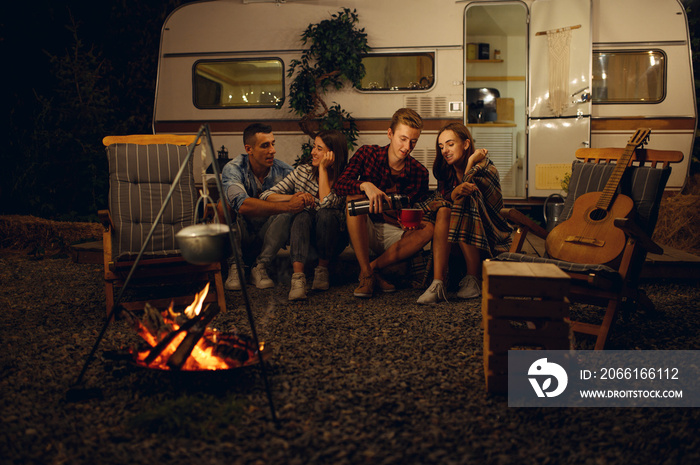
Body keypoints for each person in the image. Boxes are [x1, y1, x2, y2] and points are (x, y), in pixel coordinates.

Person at [334, 108, 433, 298]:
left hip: (396, 232)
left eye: (413, 141)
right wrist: (365, 185)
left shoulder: (419, 172)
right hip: (365, 228)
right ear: (390, 134)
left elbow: (418, 209)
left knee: (429, 228)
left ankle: (370, 270)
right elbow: (339, 185)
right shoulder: (368, 154)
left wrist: (414, 220)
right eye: (403, 139)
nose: (407, 146)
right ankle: (367, 274)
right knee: (353, 199)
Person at [416, 122, 512, 304]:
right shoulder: (446, 171)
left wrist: (469, 163)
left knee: (465, 199)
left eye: (450, 144)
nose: (444, 150)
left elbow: (471, 193)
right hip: (455, 239)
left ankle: (473, 277)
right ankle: (438, 284)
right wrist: (454, 193)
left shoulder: (486, 168)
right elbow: (446, 197)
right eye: (441, 146)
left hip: (488, 235)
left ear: (466, 144)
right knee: (444, 209)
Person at [260, 130, 349, 301]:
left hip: (332, 240)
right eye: (314, 147)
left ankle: (322, 271)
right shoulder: (303, 172)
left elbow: (327, 203)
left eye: (319, 148)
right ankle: (298, 278)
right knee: (302, 215)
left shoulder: (344, 178)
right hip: (303, 238)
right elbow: (266, 195)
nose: (313, 152)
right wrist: (294, 197)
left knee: (326, 214)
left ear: (332, 154)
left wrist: (322, 169)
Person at [221, 123, 310, 290]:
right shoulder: (233, 169)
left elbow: (301, 200)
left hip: (268, 234)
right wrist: (288, 206)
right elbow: (242, 205)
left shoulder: (284, 170)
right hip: (241, 233)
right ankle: (235, 266)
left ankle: (260, 267)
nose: (272, 150)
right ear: (249, 149)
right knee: (223, 204)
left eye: (273, 143)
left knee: (290, 209)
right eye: (265, 145)